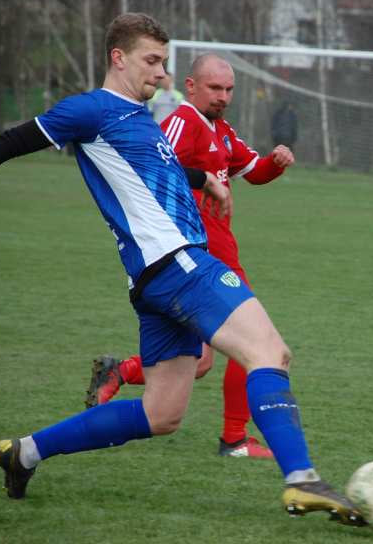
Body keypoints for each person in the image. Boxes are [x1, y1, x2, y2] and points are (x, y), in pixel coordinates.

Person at [0, 12, 364, 527]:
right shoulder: (91, 110)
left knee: (160, 414)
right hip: (180, 264)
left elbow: (155, 168)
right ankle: (301, 480)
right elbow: (10, 142)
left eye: (164, 63)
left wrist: (204, 178)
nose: (161, 74)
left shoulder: (139, 116)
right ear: (117, 57)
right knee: (269, 352)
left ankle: (24, 452)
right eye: (152, 61)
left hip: (151, 281)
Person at [86, 53, 296, 461]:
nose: (223, 96)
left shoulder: (220, 129)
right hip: (199, 251)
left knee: (198, 362)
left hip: (213, 249)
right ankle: (234, 438)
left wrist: (276, 162)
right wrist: (200, 187)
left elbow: (253, 171)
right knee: (255, 344)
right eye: (215, 88)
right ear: (193, 85)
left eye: (229, 89)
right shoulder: (183, 119)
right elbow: (155, 163)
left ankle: (123, 370)